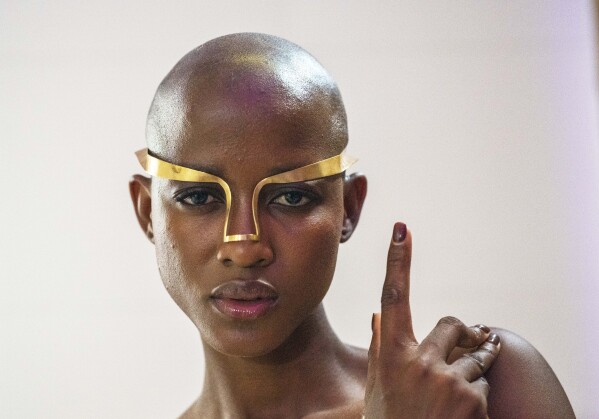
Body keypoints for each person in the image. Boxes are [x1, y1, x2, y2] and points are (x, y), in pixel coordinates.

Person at [129, 33, 575, 418]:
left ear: (348, 207)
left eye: (291, 197)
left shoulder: (485, 386)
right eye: (199, 197)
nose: (245, 248)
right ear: (148, 211)